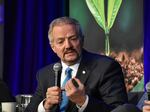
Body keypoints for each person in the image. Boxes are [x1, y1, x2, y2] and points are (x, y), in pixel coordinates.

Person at [25, 17, 127, 112]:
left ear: (82, 40)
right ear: (53, 47)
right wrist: (46, 105)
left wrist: (83, 101)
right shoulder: (45, 74)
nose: (68, 46)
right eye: (60, 42)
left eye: (73, 39)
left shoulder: (106, 67)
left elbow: (119, 109)